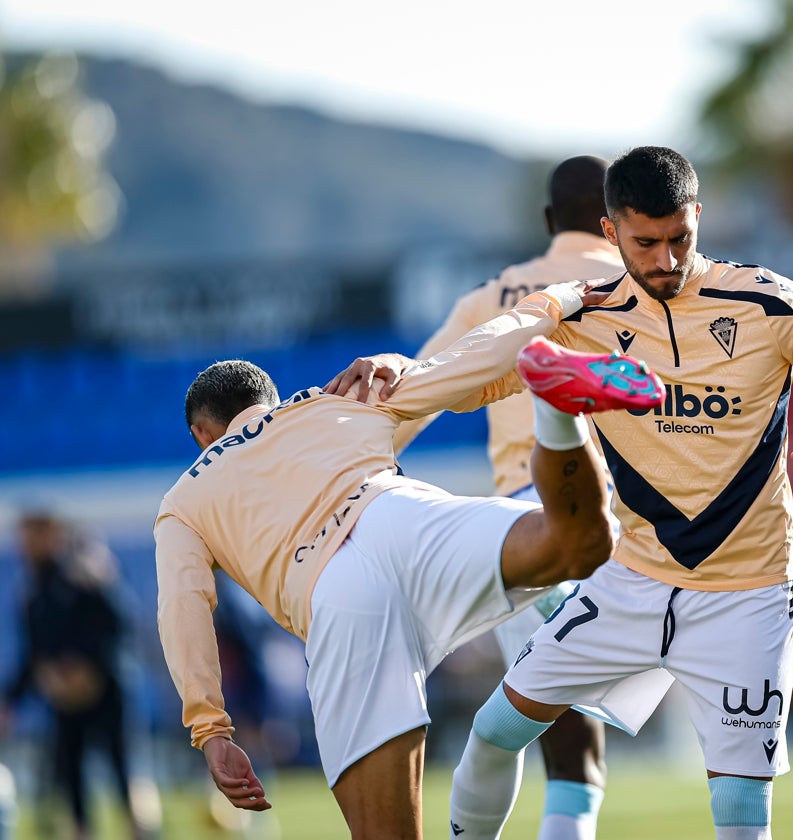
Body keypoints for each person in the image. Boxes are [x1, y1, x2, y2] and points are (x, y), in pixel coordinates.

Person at [329, 146, 793, 840]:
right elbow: (478, 367)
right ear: (611, 232)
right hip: (629, 582)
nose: (665, 259)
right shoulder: (583, 314)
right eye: (646, 243)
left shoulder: (769, 303)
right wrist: (406, 371)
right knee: (493, 732)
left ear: (697, 217)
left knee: (740, 816)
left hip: (749, 596)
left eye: (679, 239)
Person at [152, 288, 666, 840]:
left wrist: (211, 729)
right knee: (580, 544)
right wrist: (557, 302)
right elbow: (470, 359)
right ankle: (554, 409)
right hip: (401, 516)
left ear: (202, 437)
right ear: (272, 402)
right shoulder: (337, 398)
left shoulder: (184, 499)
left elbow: (184, 608)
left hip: (335, 596)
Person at [390, 154, 620, 840]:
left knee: (547, 727)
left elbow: (411, 399)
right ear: (620, 219)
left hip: (524, 527)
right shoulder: (647, 282)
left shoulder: (489, 296)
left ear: (550, 222)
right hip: (628, 514)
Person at [1, 508, 149, 840]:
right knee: (71, 772)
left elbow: (117, 628)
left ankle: (139, 828)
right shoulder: (32, 589)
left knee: (121, 765)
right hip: (64, 697)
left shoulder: (86, 572)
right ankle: (82, 831)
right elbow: (33, 650)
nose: (26, 544)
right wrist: (16, 696)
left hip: (106, 686)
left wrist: (88, 667)